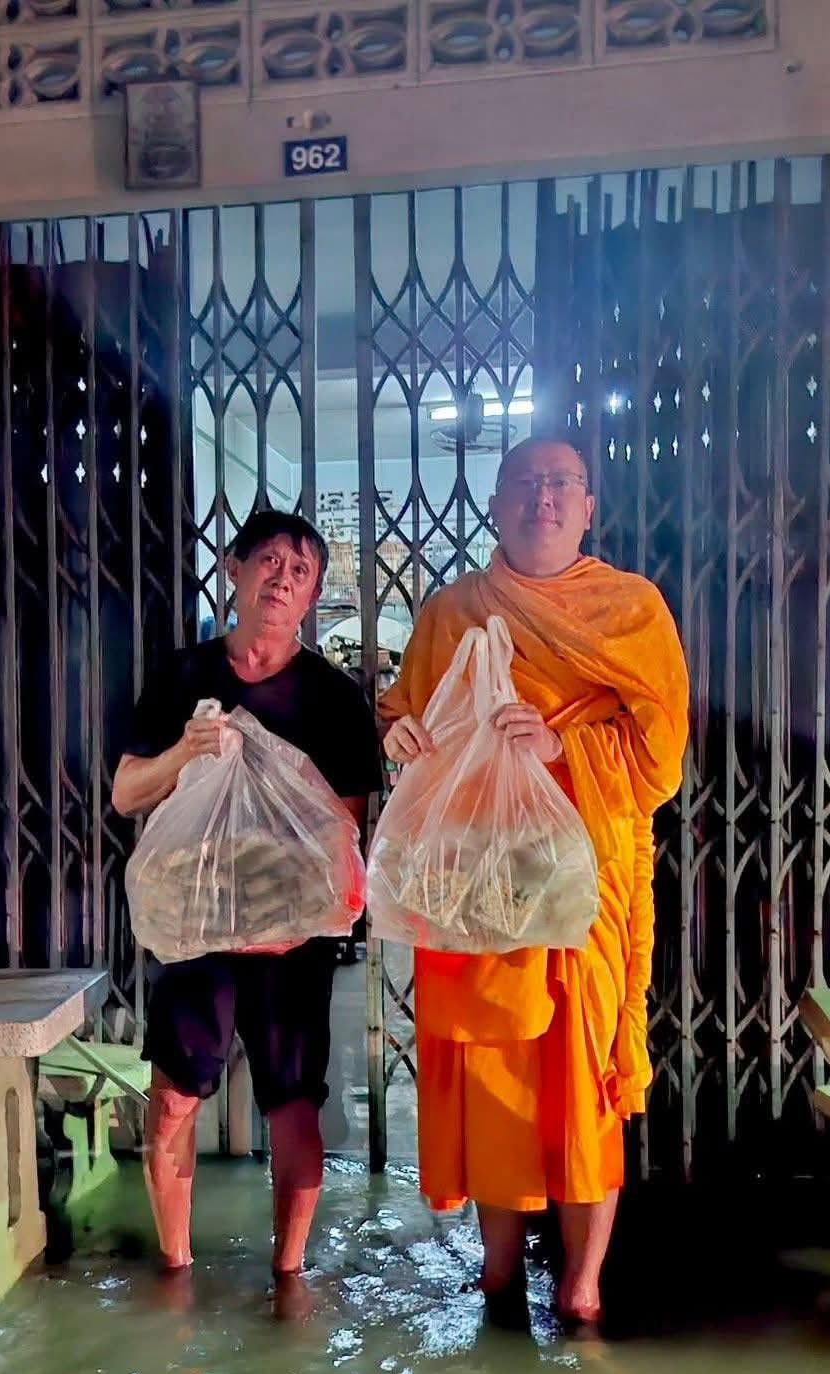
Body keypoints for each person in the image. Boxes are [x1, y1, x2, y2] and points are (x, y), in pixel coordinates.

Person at [379, 437, 689, 1328]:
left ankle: (582, 1280)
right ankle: (499, 1267)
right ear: (493, 502)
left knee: (587, 1077)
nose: (541, 499)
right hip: (485, 884)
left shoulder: (631, 610)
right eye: (523, 483)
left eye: (560, 484)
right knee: (495, 1079)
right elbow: (412, 713)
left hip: (588, 876)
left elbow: (659, 757)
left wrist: (564, 745)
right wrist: (399, 734)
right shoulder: (453, 614)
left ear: (590, 505)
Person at [113, 510, 384, 1280]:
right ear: (233, 570)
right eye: (268, 561)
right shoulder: (182, 678)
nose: (281, 580)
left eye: (300, 572)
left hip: (290, 942)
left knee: (294, 1104)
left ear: (314, 596)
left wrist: (297, 923)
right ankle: (175, 1270)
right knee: (174, 1097)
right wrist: (180, 755)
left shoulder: (333, 700)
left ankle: (289, 1278)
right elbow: (127, 794)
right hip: (199, 934)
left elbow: (347, 840)